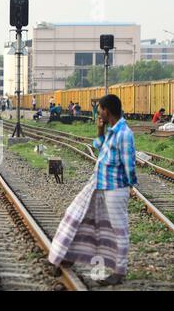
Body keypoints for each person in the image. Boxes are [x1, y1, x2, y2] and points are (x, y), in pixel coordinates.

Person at [49, 94, 137, 286]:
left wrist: (130, 186)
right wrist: (100, 130)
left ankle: (119, 272)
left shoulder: (124, 134)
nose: (98, 112)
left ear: (107, 110)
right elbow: (100, 147)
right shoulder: (113, 130)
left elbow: (130, 164)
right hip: (98, 183)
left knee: (118, 230)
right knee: (77, 216)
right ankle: (68, 255)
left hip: (115, 188)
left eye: (99, 109)